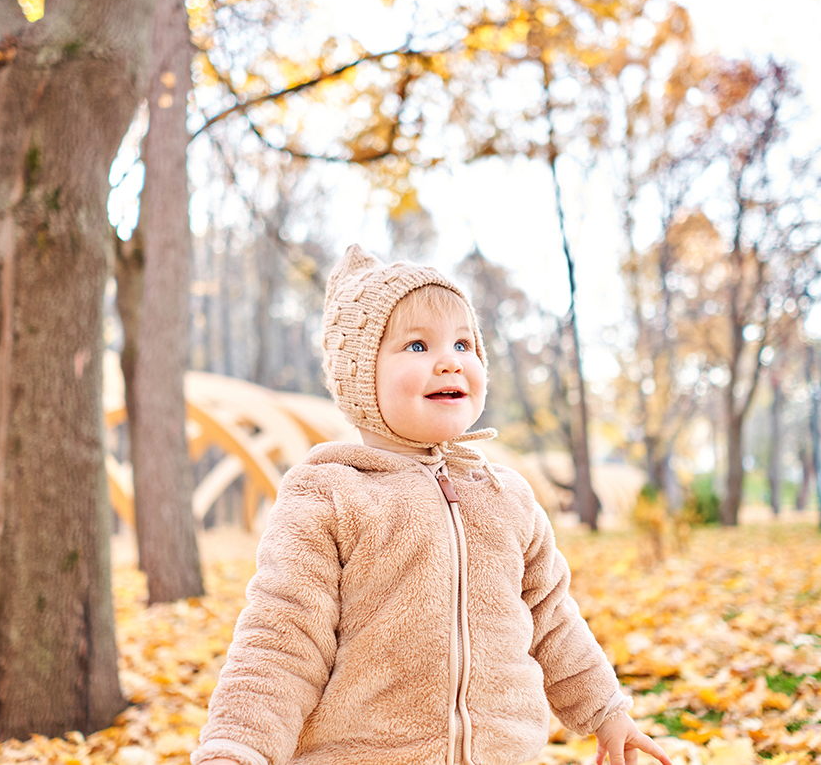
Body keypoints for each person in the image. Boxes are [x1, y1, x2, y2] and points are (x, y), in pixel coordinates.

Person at [193, 245, 671, 765]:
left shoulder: (506, 496)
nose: (449, 360)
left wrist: (607, 711)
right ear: (360, 378)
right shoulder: (330, 492)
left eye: (464, 343)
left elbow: (552, 619)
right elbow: (282, 638)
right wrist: (237, 747)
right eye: (417, 346)